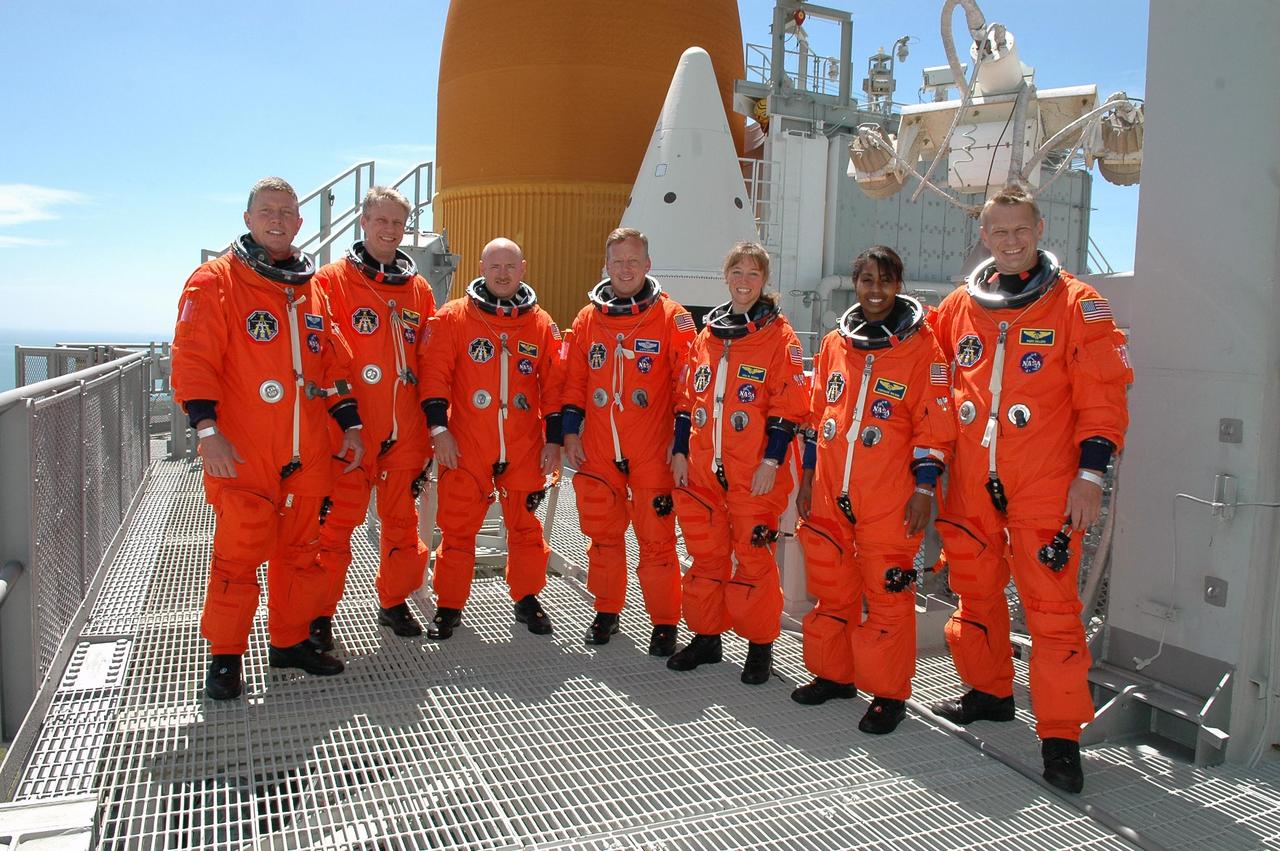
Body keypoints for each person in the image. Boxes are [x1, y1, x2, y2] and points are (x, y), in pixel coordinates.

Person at [928, 184, 1132, 793]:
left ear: (1040, 230)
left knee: (1052, 611)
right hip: (969, 480)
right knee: (975, 593)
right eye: (998, 231)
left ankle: (1061, 737)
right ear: (983, 236)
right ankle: (990, 694)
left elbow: (1104, 392)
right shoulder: (960, 308)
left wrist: (1091, 474)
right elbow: (931, 380)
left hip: (1046, 483)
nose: (1011, 242)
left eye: (1021, 230)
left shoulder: (1076, 304)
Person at [171, 176, 364, 700]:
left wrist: (351, 423)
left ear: (299, 223)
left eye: (287, 212)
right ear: (248, 219)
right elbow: (193, 361)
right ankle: (226, 656)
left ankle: (289, 641)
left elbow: (333, 360)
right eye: (267, 211)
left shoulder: (311, 287)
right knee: (239, 552)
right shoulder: (215, 282)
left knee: (302, 553)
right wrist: (206, 431)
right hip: (244, 449)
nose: (278, 219)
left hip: (307, 451)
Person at [792, 246, 956, 734]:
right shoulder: (833, 346)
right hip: (828, 490)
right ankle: (833, 676)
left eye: (885, 280)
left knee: (888, 598)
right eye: (866, 279)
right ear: (855, 283)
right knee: (832, 591)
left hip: (889, 496)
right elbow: (816, 417)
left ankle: (888, 695)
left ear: (899, 284)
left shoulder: (924, 350)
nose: (876, 289)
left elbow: (935, 428)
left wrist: (924, 489)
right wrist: (805, 479)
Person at [667, 242, 809, 684]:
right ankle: (708, 638)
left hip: (754, 472)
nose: (744, 280)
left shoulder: (778, 336)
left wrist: (772, 460)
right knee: (706, 557)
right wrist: (679, 451)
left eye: (753, 273)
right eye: (737, 271)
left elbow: (790, 405)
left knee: (753, 559)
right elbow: (687, 401)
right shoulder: (708, 336)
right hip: (705, 469)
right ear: (725, 275)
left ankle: (759, 645)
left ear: (764, 281)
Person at [310, 187, 438, 649]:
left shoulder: (418, 290)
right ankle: (318, 615)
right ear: (363, 222)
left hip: (405, 433)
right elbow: (320, 354)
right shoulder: (330, 281)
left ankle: (394, 601)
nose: (389, 230)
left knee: (402, 526)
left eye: (397, 223)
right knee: (333, 529)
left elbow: (432, 358)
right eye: (380, 221)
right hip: (348, 432)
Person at [561, 228, 697, 654]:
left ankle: (663, 623)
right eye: (617, 261)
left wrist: (680, 446)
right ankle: (606, 612)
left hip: (652, 450)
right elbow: (574, 382)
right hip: (600, 447)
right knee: (602, 535)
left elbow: (686, 388)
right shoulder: (588, 319)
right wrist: (569, 432)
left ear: (648, 265)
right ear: (607, 265)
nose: (625, 269)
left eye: (633, 261)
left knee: (657, 539)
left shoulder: (672, 317)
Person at [420, 238, 564, 638]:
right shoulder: (453, 318)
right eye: (495, 266)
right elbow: (435, 378)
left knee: (525, 529)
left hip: (523, 444)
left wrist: (553, 440)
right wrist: (439, 430)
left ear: (523, 269)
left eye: (510, 267)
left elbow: (553, 386)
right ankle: (449, 605)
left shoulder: (539, 323)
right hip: (467, 443)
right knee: (458, 529)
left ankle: (527, 598)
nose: (503, 274)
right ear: (481, 267)